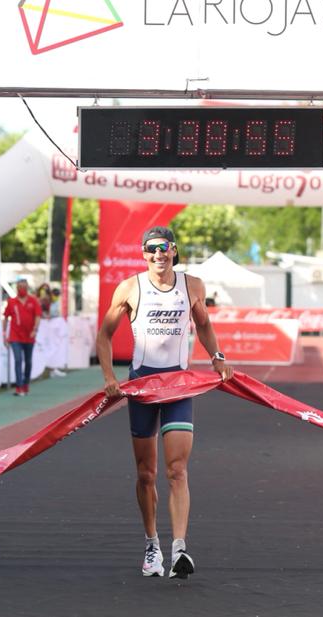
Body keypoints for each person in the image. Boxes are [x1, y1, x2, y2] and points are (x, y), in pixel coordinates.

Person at [97, 226, 234, 581]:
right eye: (151, 248)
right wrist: (110, 378)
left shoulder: (192, 286)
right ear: (144, 254)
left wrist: (217, 356)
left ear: (174, 251)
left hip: (177, 385)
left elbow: (203, 325)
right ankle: (151, 543)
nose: (159, 254)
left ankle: (179, 550)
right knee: (146, 473)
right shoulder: (130, 288)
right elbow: (104, 335)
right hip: (141, 388)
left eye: (165, 247)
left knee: (177, 470)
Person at [3, 278, 41, 396]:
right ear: (17, 288)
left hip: (29, 336)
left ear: (27, 288)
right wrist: (4, 333)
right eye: (19, 287)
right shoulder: (12, 302)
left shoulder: (33, 301)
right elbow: (5, 317)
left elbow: (38, 316)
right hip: (15, 336)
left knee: (28, 361)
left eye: (24, 287)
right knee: (18, 360)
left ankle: (25, 383)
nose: (22, 289)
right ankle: (19, 386)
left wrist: (35, 329)